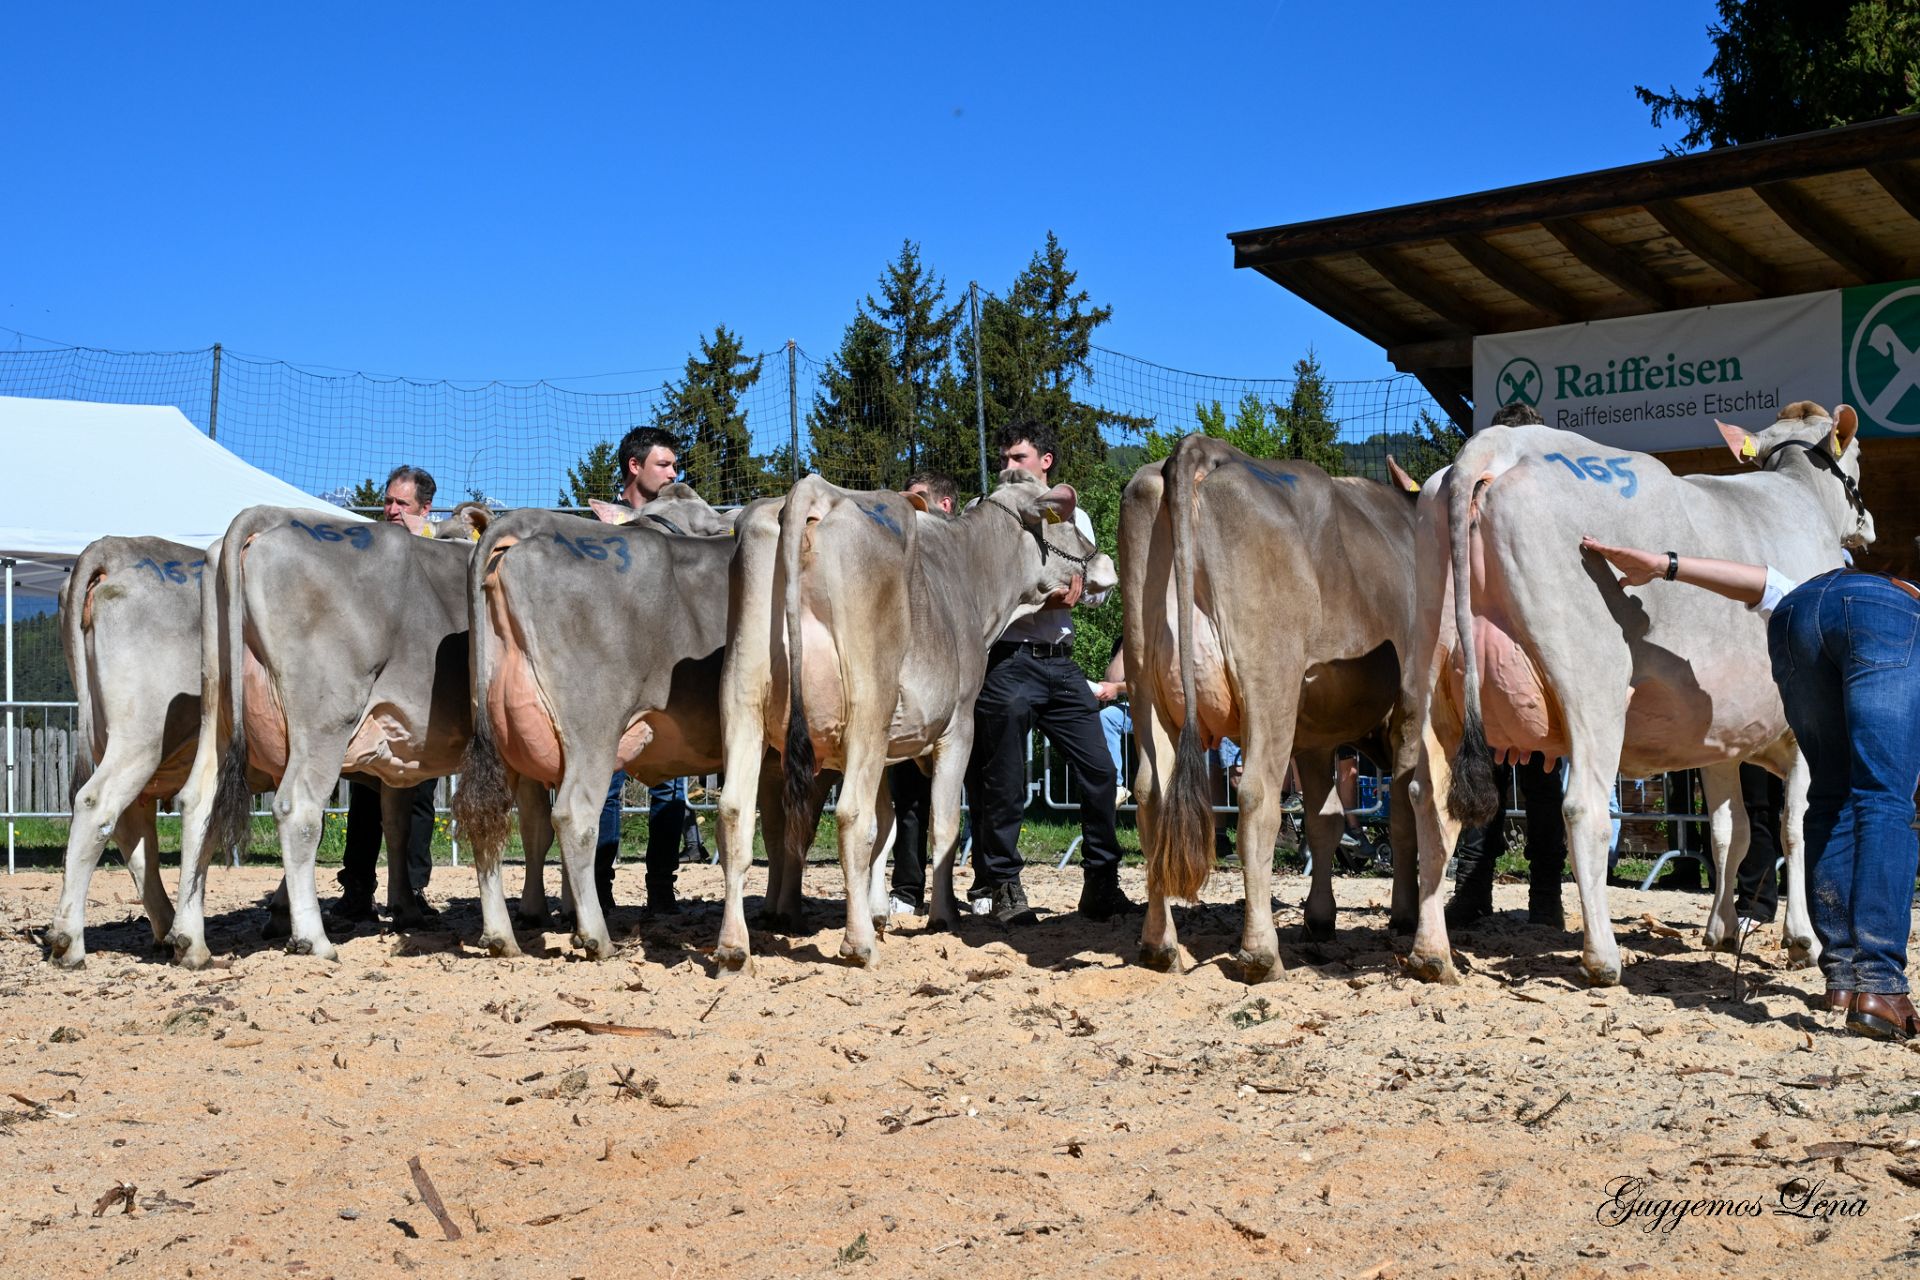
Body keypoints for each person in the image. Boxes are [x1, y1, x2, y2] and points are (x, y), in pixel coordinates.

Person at [1582, 535, 1920, 1042]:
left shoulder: (1835, 586)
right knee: (1885, 800)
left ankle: (1845, 979)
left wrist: (1664, 564)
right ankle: (1880, 985)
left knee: (1831, 797)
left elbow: (1760, 582)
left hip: (1798, 615)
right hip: (1885, 620)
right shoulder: (1906, 606)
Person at [965, 417, 1137, 925]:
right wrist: (1040, 596)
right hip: (1005, 662)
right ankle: (1002, 886)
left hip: (1060, 663)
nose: (1007, 466)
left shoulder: (1074, 517)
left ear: (1045, 462)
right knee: (1003, 782)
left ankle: (1101, 884)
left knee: (1101, 773)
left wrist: (1079, 595)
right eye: (1003, 458)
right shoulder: (983, 510)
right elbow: (976, 586)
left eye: (1018, 457)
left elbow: (1100, 589)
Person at [1445, 400, 1570, 927]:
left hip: (1512, 652)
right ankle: (1526, 896)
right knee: (1516, 779)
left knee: (1519, 778)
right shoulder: (1515, 494)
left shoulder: (1499, 494)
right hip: (1516, 653)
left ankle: (1523, 896)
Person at [594, 426, 701, 917]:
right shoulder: (601, 527)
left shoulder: (683, 523)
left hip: (669, 671)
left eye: (675, 465)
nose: (674, 473)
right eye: (664, 464)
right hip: (612, 674)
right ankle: (598, 890)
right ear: (634, 467)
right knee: (605, 783)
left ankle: (662, 890)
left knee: (670, 785)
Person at [332, 465, 441, 927]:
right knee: (363, 790)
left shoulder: (439, 550)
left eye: (402, 503)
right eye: (388, 501)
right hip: (372, 686)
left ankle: (410, 890)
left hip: (423, 690)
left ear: (425, 508)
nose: (392, 510)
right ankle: (357, 889)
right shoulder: (370, 547)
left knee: (418, 794)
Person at [887, 471, 960, 917]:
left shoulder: (960, 547)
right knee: (908, 795)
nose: (907, 506)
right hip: (908, 680)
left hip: (957, 686)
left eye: (916, 499)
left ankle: (978, 886)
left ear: (943, 505)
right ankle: (907, 888)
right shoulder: (899, 546)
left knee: (969, 793)